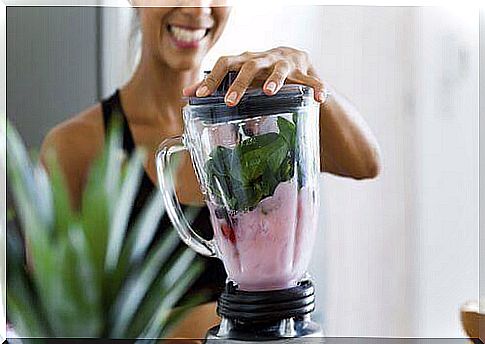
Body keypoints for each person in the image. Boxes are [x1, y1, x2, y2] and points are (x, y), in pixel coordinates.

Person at [40, 3, 381, 339]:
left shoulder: (253, 120)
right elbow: (55, 325)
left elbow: (364, 162)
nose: (196, 8)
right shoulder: (76, 146)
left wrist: (307, 78)